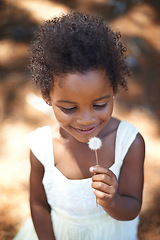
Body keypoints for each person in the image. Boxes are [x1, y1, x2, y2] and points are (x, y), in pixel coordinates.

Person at [13, 11, 145, 240]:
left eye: (100, 104)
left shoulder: (130, 143)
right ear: (47, 96)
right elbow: (38, 205)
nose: (86, 120)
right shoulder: (42, 147)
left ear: (113, 89)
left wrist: (112, 202)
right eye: (69, 108)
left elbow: (132, 209)